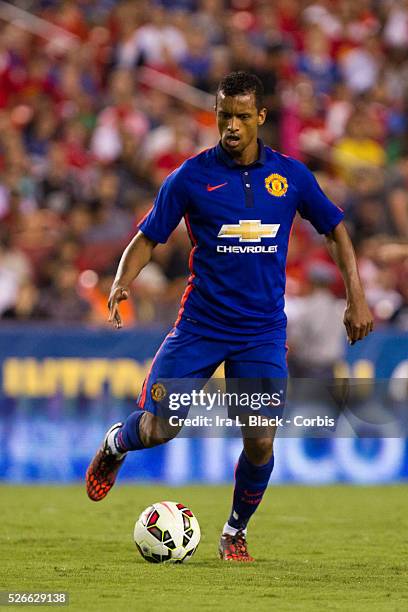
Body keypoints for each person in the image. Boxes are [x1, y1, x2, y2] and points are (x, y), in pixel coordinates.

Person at [86, 72, 374, 561]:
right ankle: (115, 445)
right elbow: (149, 236)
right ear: (215, 115)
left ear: (261, 117)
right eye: (224, 116)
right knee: (160, 429)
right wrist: (121, 280)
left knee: (260, 440)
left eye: (243, 116)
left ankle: (234, 532)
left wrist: (357, 296)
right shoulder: (192, 176)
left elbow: (336, 230)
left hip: (261, 332)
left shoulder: (292, 176)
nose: (232, 126)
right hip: (199, 327)